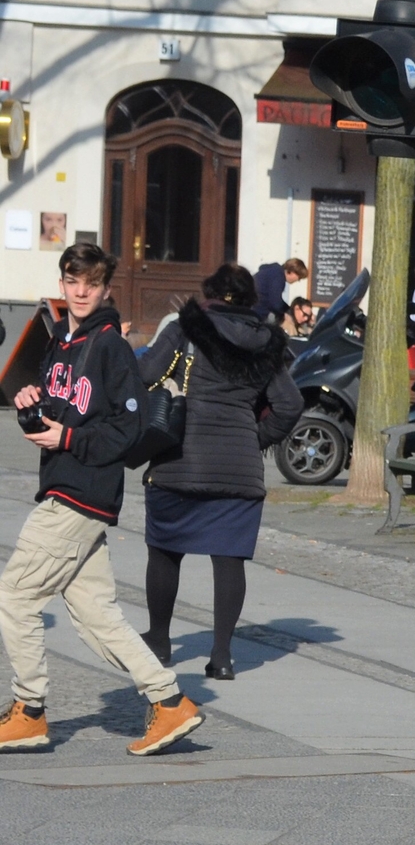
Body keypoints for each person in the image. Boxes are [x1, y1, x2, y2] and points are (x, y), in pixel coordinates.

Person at [0, 242, 205, 756]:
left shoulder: (109, 346)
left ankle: (29, 710)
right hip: (67, 484)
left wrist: (68, 440)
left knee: (14, 596)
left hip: (79, 493)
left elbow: (129, 427)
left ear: (106, 287)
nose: (81, 291)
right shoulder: (62, 342)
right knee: (96, 615)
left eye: (91, 283)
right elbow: (65, 406)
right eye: (73, 281)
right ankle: (170, 702)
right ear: (63, 283)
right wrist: (32, 401)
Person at [132, 263, 304, 681]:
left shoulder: (185, 328)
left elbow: (146, 374)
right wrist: (254, 436)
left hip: (179, 459)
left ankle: (159, 639)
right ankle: (223, 655)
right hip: (239, 468)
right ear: (250, 301)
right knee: (229, 560)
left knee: (165, 549)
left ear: (208, 293)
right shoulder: (268, 343)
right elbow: (290, 405)